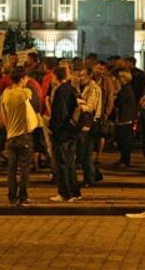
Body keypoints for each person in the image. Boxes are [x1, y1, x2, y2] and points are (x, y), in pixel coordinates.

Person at [0, 67, 36, 206]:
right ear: (21, 79)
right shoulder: (25, 92)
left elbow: (3, 114)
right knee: (24, 169)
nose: (28, 81)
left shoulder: (6, 93)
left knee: (11, 169)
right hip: (24, 135)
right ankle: (23, 196)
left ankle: (11, 197)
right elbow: (32, 101)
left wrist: (8, 128)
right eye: (26, 78)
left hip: (11, 135)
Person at [49, 66, 81, 202]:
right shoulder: (71, 89)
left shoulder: (60, 91)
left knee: (61, 163)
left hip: (62, 133)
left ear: (56, 76)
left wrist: (53, 128)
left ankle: (64, 193)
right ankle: (74, 191)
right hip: (71, 131)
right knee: (70, 163)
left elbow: (60, 113)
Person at [77, 67, 102, 186]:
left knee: (86, 152)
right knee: (83, 152)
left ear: (89, 76)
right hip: (85, 122)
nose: (80, 78)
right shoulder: (86, 87)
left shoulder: (93, 88)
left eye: (82, 75)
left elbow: (90, 107)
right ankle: (94, 174)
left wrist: (78, 102)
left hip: (90, 123)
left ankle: (90, 178)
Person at [113, 70, 137, 167]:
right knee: (123, 140)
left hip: (125, 118)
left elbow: (120, 103)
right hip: (125, 117)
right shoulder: (126, 89)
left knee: (124, 140)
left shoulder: (126, 90)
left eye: (120, 78)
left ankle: (125, 160)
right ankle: (123, 159)